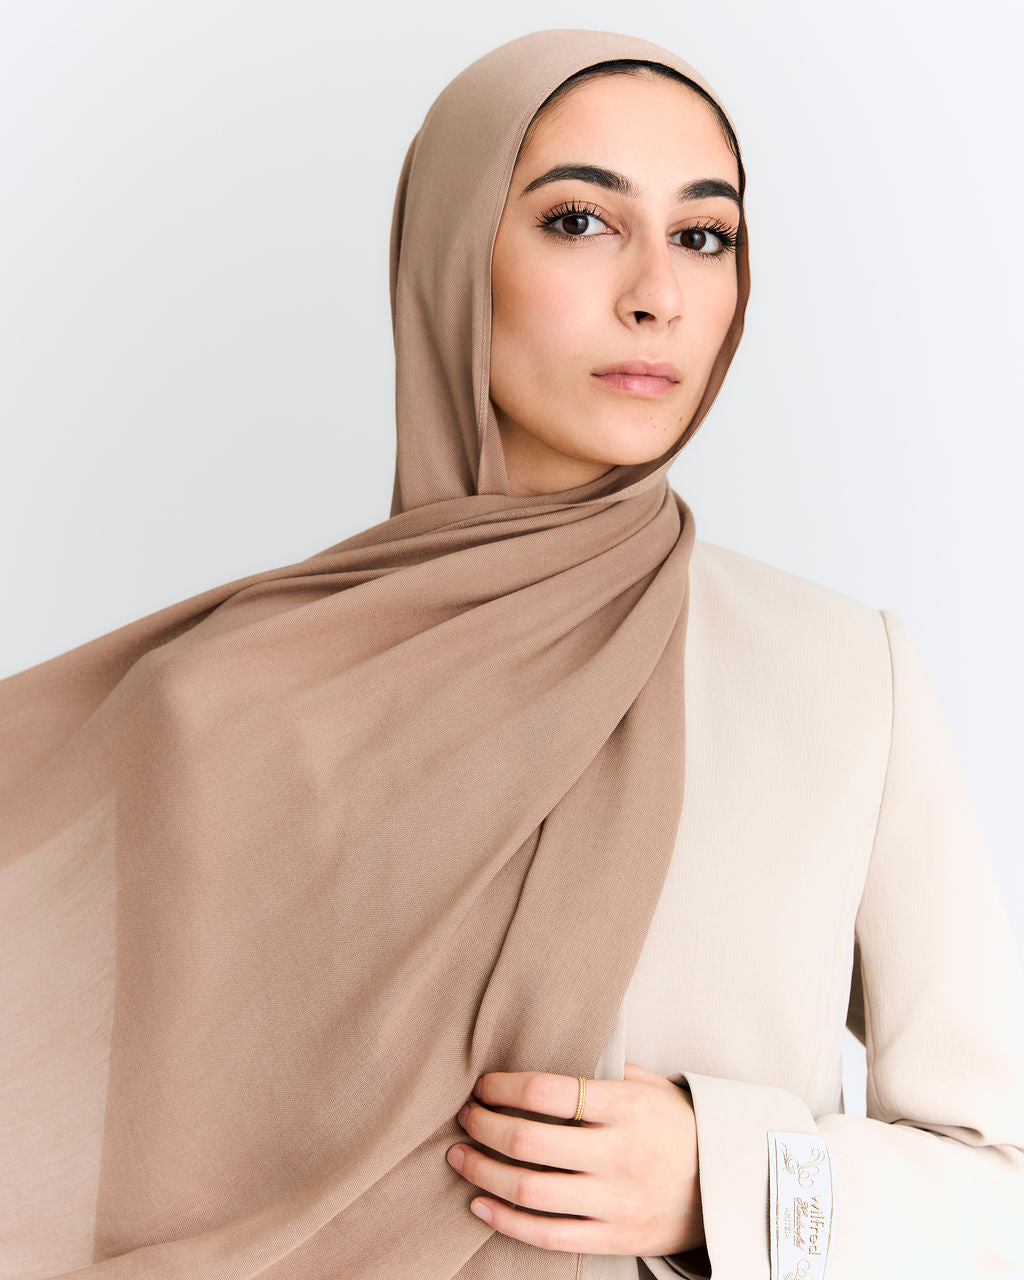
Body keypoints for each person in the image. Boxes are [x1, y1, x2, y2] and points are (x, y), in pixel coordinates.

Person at [0, 26, 1021, 1280]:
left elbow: (1001, 1181)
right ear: (450, 258)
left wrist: (728, 1178)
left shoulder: (843, 680)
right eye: (580, 221)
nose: (656, 292)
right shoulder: (220, 712)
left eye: (704, 235)